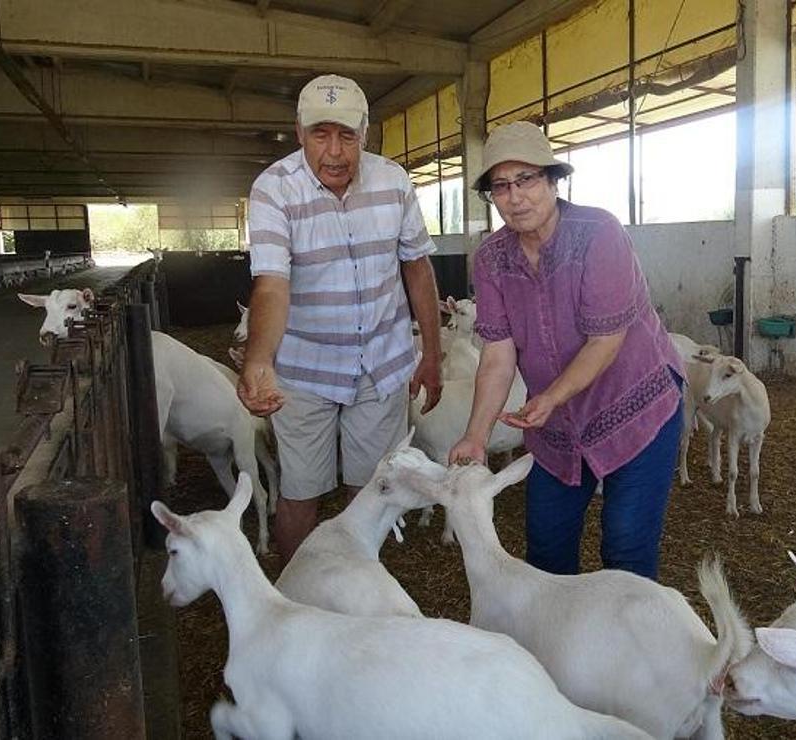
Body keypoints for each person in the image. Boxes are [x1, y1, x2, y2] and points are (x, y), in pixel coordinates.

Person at [449, 121, 684, 580]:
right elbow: (497, 355)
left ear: (554, 180)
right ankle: (559, 646)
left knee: (626, 546)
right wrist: (475, 435)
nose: (515, 197)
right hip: (556, 428)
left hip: (635, 406)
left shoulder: (598, 233)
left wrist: (551, 398)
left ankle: (628, 648)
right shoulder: (491, 259)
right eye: (500, 187)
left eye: (527, 180)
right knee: (546, 546)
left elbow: (606, 340)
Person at [238, 74, 443, 561]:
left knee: (371, 492)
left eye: (347, 136)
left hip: (382, 362)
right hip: (305, 371)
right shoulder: (273, 189)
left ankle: (360, 597)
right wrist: (259, 361)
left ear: (365, 134)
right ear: (299, 133)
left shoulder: (393, 182)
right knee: (301, 492)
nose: (334, 152)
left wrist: (432, 353)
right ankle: (297, 602)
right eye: (320, 135)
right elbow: (271, 283)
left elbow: (417, 266)